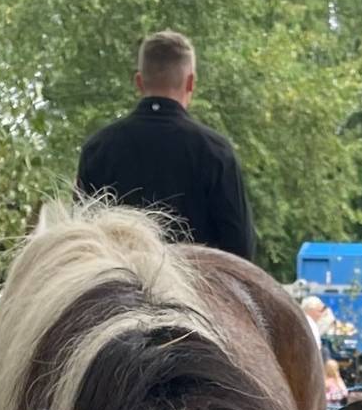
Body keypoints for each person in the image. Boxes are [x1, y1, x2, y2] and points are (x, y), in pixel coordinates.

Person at [73, 30, 257, 262]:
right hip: (196, 293)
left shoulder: (97, 149)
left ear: (139, 82)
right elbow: (240, 251)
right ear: (191, 83)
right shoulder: (216, 153)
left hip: (115, 291)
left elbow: (81, 242)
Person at [300, 295, 349, 407]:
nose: (323, 313)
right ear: (311, 310)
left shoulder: (309, 323)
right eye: (320, 310)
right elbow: (313, 355)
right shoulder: (309, 324)